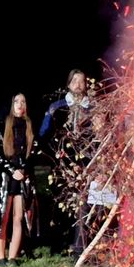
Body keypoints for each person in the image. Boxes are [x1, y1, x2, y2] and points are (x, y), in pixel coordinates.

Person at [40, 69, 95, 254]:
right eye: (75, 81)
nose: (78, 84)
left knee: (83, 202)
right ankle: (58, 244)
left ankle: (79, 245)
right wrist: (55, 155)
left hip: (84, 163)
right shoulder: (57, 107)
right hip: (62, 163)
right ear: (69, 84)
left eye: (82, 81)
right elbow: (44, 134)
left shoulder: (92, 107)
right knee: (60, 201)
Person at [0, 93, 38, 266]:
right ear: (11, 105)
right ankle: (0, 257)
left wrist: (23, 170)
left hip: (22, 178)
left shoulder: (28, 125)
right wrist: (12, 170)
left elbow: (32, 153)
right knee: (2, 216)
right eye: (16, 101)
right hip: (5, 178)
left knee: (18, 217)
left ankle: (12, 257)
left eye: (23, 101)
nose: (20, 105)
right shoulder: (2, 126)